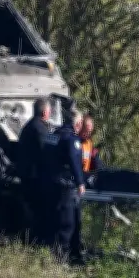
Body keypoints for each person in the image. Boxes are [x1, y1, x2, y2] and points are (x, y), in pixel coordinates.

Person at [40, 109, 86, 265]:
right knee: (68, 223)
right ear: (78, 123)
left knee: (54, 221)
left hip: (49, 184)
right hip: (65, 186)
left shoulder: (52, 136)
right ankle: (63, 259)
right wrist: (80, 182)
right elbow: (74, 161)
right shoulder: (71, 139)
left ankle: (61, 256)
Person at [18, 97, 53, 245]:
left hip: (27, 175)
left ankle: (31, 239)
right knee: (38, 211)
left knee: (30, 210)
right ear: (45, 112)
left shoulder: (29, 126)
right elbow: (45, 152)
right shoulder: (40, 129)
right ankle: (36, 241)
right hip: (35, 177)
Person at [79, 114, 104, 181]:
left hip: (86, 177)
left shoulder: (89, 142)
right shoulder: (75, 142)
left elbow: (94, 161)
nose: (88, 134)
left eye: (90, 132)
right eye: (86, 131)